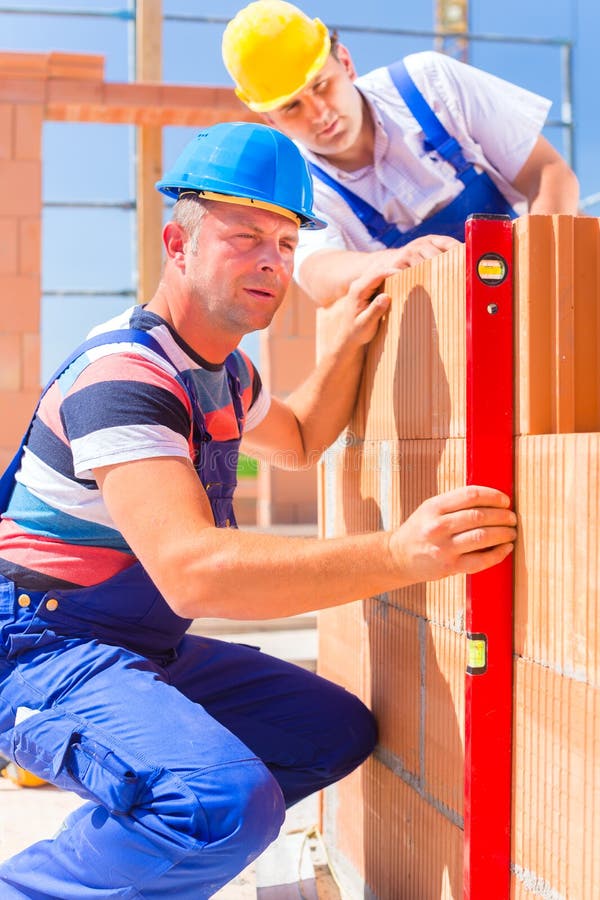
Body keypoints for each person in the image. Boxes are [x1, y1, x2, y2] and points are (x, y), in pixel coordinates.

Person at [0, 121, 516, 899]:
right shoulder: (125, 376)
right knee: (220, 803)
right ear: (178, 244)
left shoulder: (225, 373)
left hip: (141, 647)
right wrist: (403, 553)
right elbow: (196, 575)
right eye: (245, 238)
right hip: (41, 649)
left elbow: (303, 436)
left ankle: (119, 851)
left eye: (285, 242)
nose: (272, 262)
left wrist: (346, 340)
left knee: (327, 733)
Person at [222, 0, 580, 306]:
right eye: (292, 107)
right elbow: (318, 272)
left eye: (321, 85)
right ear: (269, 118)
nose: (319, 113)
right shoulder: (300, 186)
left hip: (552, 281)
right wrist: (395, 260)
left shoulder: (430, 85)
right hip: (443, 336)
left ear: (345, 62)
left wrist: (538, 271)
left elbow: (546, 173)